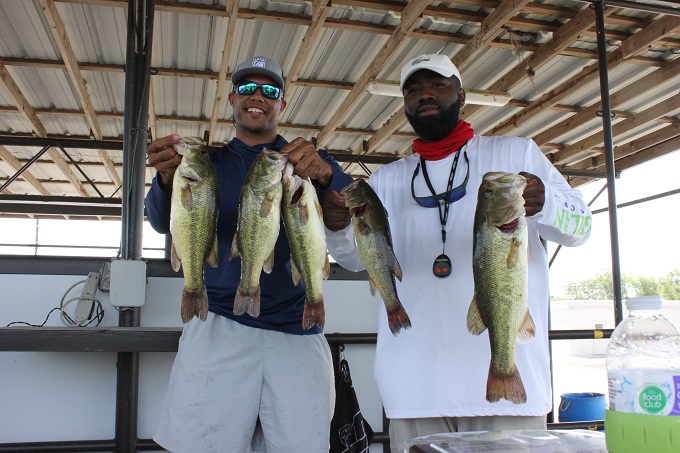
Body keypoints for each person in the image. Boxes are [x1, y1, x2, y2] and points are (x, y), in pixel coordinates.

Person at [322, 53, 593, 452]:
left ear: (461, 95)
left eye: (437, 85)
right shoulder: (386, 180)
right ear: (405, 105)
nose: (425, 95)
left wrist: (547, 203)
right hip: (414, 391)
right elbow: (352, 259)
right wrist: (337, 227)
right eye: (414, 90)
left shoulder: (517, 154)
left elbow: (582, 227)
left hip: (509, 396)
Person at [145, 55, 353, 453]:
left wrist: (327, 175)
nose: (257, 96)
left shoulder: (308, 162)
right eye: (247, 88)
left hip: (298, 329)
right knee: (203, 445)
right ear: (232, 99)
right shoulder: (206, 163)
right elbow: (158, 220)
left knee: (303, 446)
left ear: (282, 104)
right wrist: (167, 178)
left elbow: (353, 206)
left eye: (269, 90)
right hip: (217, 323)